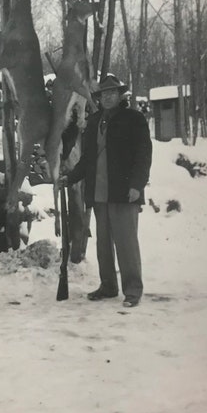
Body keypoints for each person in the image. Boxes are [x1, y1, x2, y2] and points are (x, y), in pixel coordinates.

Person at [60, 74, 152, 307]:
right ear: (99, 98)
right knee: (103, 245)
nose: (108, 97)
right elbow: (87, 159)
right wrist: (69, 178)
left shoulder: (134, 119)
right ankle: (108, 286)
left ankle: (133, 290)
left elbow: (143, 155)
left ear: (120, 95)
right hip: (99, 193)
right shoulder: (94, 121)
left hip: (124, 192)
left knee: (126, 243)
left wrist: (137, 186)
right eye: (103, 94)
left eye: (112, 93)